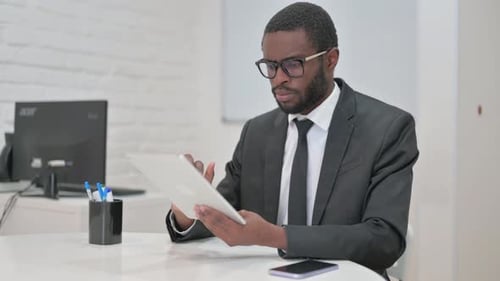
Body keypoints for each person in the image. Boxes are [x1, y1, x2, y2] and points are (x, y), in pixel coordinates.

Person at [166, 2, 418, 280]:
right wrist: (189, 212)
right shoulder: (257, 132)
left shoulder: (387, 129)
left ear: (331, 59)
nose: (278, 80)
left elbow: (384, 240)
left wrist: (277, 237)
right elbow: (226, 217)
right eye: (270, 66)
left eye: (292, 65)